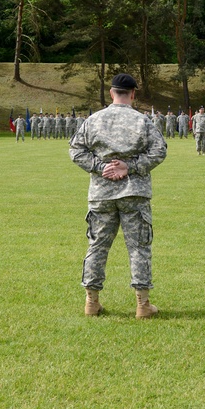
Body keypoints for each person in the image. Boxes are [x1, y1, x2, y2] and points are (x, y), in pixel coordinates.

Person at [69, 73, 167, 319]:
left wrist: (99, 167)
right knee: (138, 248)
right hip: (134, 192)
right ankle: (142, 305)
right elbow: (159, 150)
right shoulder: (142, 121)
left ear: (112, 93)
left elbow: (76, 150)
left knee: (97, 245)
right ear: (133, 94)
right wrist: (130, 167)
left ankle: (91, 302)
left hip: (101, 194)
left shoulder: (93, 120)